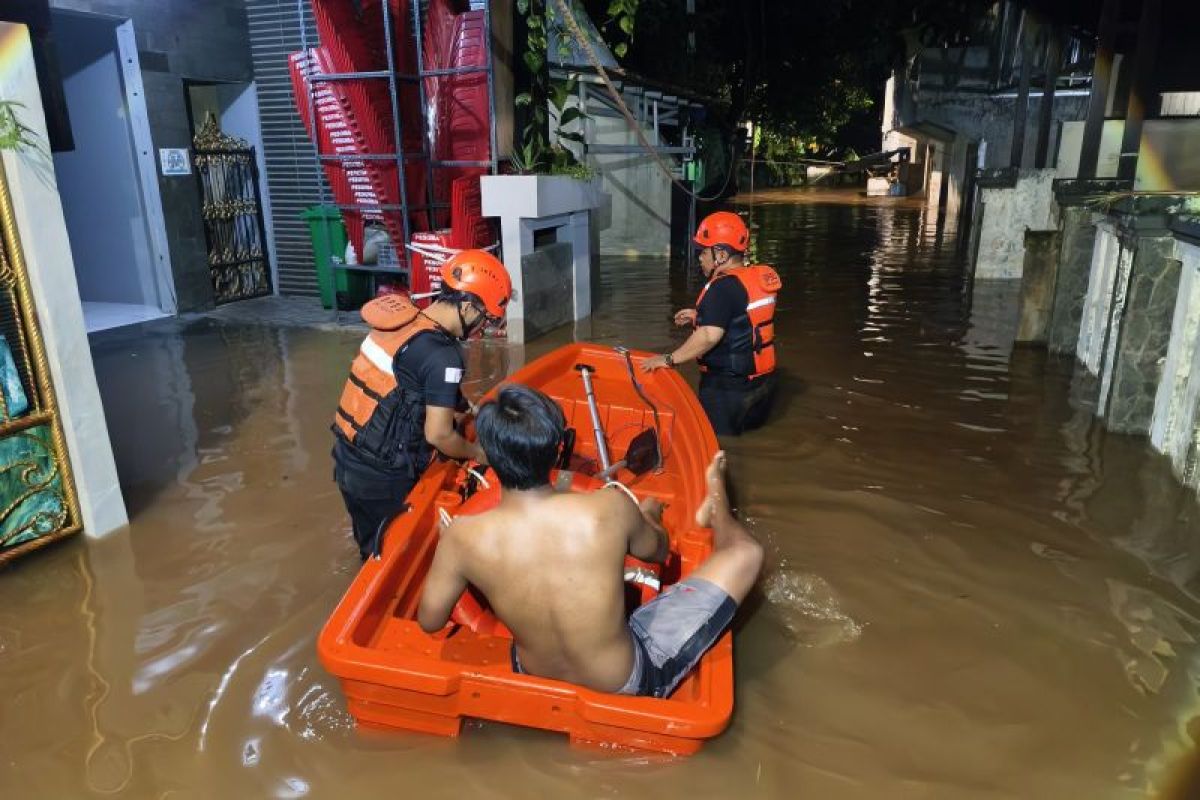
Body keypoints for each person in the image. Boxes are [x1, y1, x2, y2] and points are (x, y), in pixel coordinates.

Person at [417, 385, 763, 698]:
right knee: (747, 552)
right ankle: (717, 505)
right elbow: (657, 551)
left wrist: (455, 555)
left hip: (533, 674)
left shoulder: (461, 536)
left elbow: (430, 621)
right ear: (557, 450)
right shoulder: (609, 507)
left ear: (489, 456)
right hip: (625, 683)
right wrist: (648, 516)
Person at [332, 249, 512, 560]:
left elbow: (411, 382)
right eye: (486, 319)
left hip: (347, 457)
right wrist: (478, 453)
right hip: (383, 478)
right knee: (394, 555)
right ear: (468, 307)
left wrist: (472, 410)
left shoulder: (408, 320)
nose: (483, 329)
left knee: (370, 546)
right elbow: (439, 435)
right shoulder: (444, 355)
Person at [641, 211, 781, 436]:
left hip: (728, 390)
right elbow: (743, 318)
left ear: (722, 255)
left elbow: (708, 336)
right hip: (762, 386)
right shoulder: (753, 278)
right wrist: (700, 316)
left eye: (704, 251)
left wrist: (668, 359)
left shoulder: (721, 288)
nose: (700, 257)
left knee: (715, 443)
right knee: (752, 440)